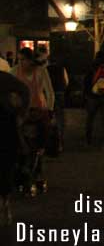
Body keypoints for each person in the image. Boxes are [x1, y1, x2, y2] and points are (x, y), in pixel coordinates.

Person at [0, 70, 30, 227]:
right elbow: (24, 91)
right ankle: (5, 201)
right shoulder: (6, 78)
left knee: (5, 167)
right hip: (8, 130)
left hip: (7, 130)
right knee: (6, 167)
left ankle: (4, 201)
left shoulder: (4, 79)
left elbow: (25, 91)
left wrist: (20, 114)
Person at [13, 48, 54, 156]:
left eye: (23, 60)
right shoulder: (14, 71)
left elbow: (49, 92)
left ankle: (42, 150)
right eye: (19, 60)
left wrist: (50, 109)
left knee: (45, 129)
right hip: (22, 109)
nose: (20, 63)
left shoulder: (41, 71)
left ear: (30, 60)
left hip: (38, 108)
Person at [84, 52, 104, 147]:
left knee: (90, 119)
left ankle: (88, 140)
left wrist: (86, 94)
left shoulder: (92, 67)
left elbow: (87, 81)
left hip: (93, 96)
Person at [43, 50, 68, 153]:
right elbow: (66, 82)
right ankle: (60, 143)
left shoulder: (45, 70)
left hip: (48, 96)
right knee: (60, 119)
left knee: (48, 118)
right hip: (59, 94)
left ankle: (48, 142)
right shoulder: (62, 69)